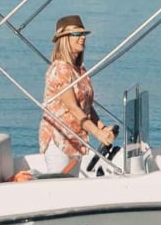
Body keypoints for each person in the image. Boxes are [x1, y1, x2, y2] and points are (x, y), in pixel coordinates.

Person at [39, 15, 115, 168]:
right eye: (77, 34)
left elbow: (86, 106)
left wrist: (102, 127)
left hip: (76, 140)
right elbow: (73, 107)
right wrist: (98, 134)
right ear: (64, 38)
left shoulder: (78, 69)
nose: (82, 38)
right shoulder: (60, 69)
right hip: (60, 141)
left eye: (84, 34)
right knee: (61, 189)